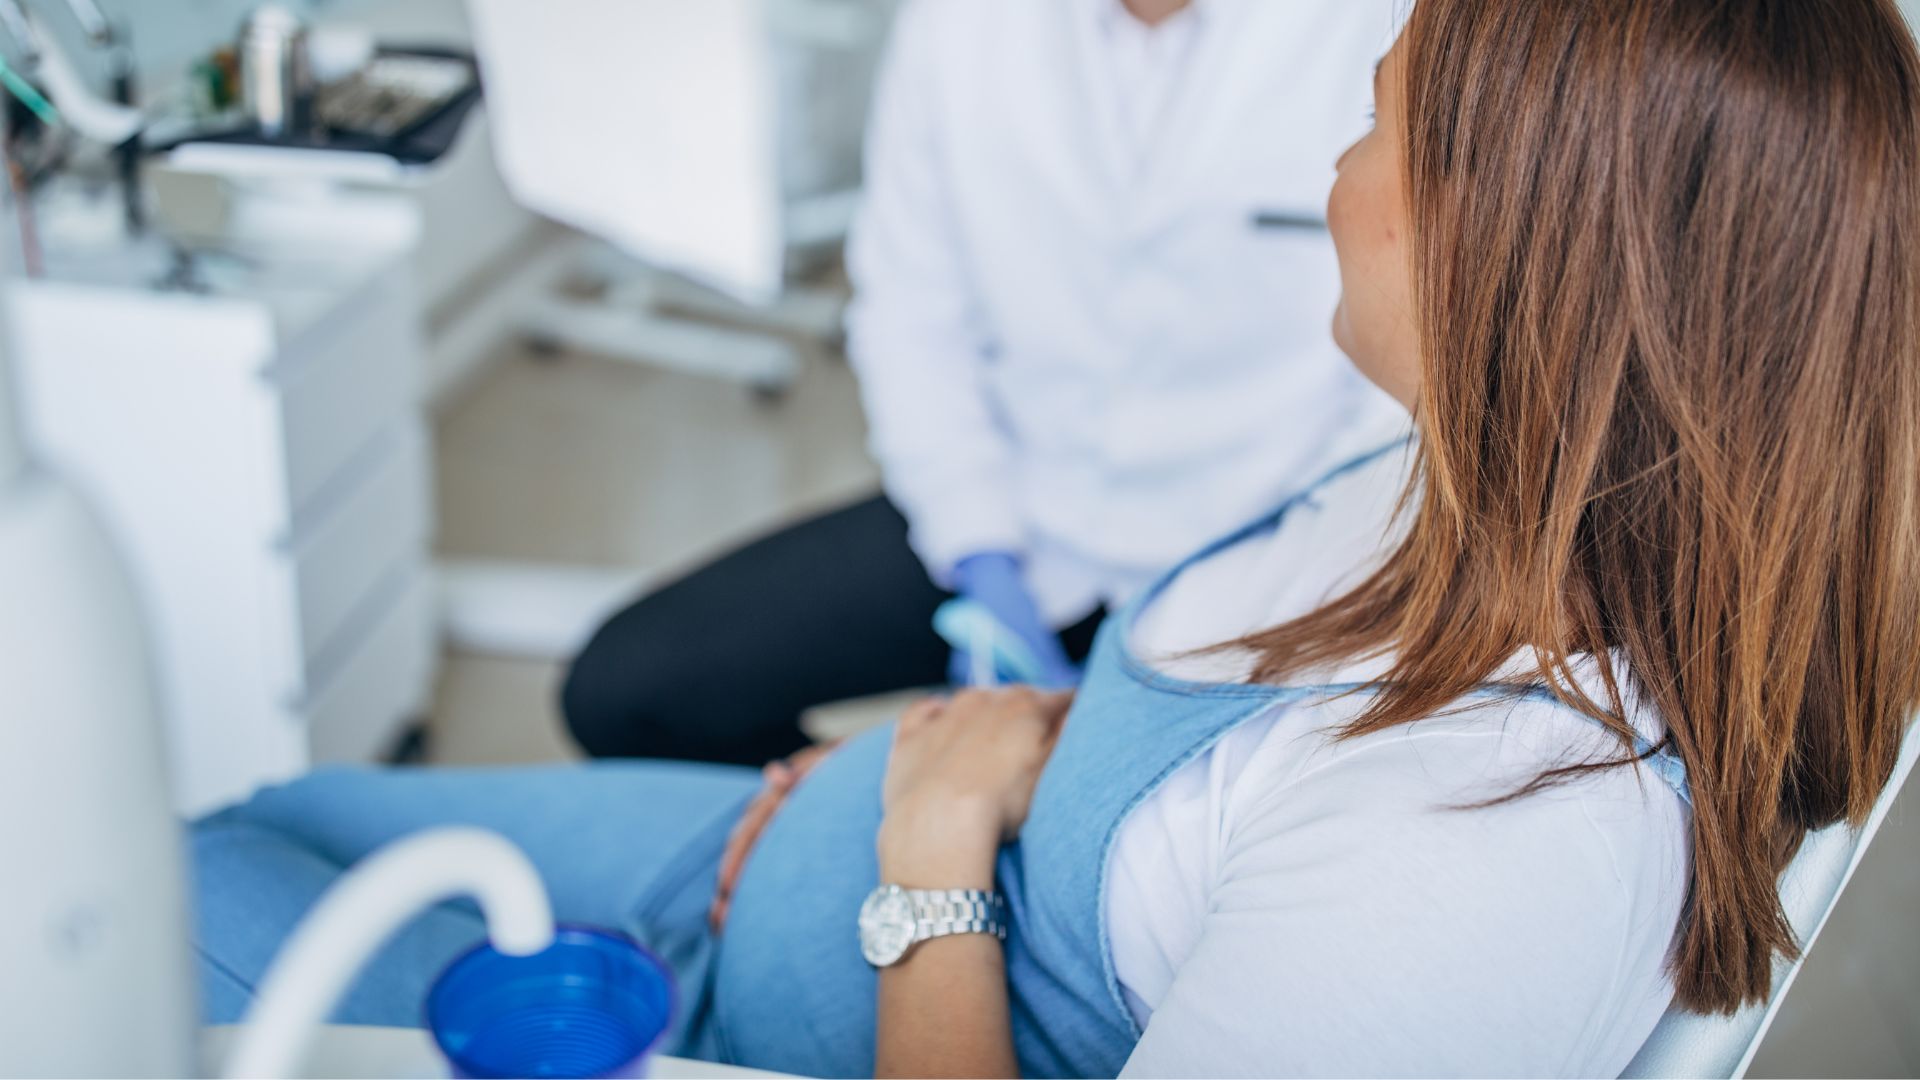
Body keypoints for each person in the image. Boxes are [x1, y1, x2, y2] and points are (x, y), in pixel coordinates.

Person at [192, 1, 1920, 1075]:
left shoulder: (1476, 860)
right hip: (870, 738)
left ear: (1531, 256)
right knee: (293, 814)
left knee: (173, 891)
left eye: (1388, 116)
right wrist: (951, 681)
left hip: (805, 941)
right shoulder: (1482, 484)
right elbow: (915, 303)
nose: (1346, 151)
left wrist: (927, 845)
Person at [558, 0, 1402, 767]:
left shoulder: (1378, 30)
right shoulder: (962, 22)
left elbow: (1404, 377)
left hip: (1269, 558)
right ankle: (878, 853)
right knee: (628, 692)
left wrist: (1240, 609)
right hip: (1018, 522)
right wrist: (981, 551)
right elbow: (909, 309)